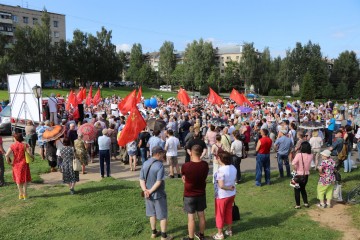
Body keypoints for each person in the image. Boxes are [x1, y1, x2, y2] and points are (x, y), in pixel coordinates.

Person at [139, 146, 173, 240]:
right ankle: (164, 237)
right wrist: (150, 191)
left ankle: (154, 233)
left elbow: (141, 179)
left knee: (152, 214)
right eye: (162, 153)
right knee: (162, 216)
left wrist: (145, 190)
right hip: (158, 195)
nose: (164, 155)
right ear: (158, 154)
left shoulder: (145, 163)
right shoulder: (160, 165)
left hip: (148, 195)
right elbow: (159, 181)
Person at [181, 145, 209, 240]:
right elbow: (204, 178)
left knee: (191, 217)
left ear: (191, 153)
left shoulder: (186, 166)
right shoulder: (205, 165)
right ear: (201, 153)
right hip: (201, 193)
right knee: (201, 215)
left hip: (189, 195)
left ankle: (191, 237)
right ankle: (201, 235)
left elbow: (184, 178)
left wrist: (185, 180)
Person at [212, 151, 237, 240]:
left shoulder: (220, 170)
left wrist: (228, 188)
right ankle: (229, 230)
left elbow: (221, 185)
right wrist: (231, 188)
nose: (216, 159)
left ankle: (220, 234)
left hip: (222, 196)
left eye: (217, 157)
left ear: (220, 159)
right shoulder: (233, 167)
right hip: (232, 194)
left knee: (219, 214)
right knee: (228, 212)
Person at [5, 133, 32, 199]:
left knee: (18, 179)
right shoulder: (25, 145)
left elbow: (6, 155)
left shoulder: (13, 145)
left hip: (16, 164)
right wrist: (33, 157)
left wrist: (9, 162)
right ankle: (25, 194)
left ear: (16, 138)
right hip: (24, 163)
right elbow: (29, 153)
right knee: (25, 179)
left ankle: (20, 194)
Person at [291, 141, 313, 209]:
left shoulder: (299, 155)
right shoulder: (311, 155)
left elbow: (293, 163)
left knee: (297, 190)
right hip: (305, 175)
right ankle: (306, 203)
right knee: (303, 189)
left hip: (297, 174)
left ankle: (298, 205)